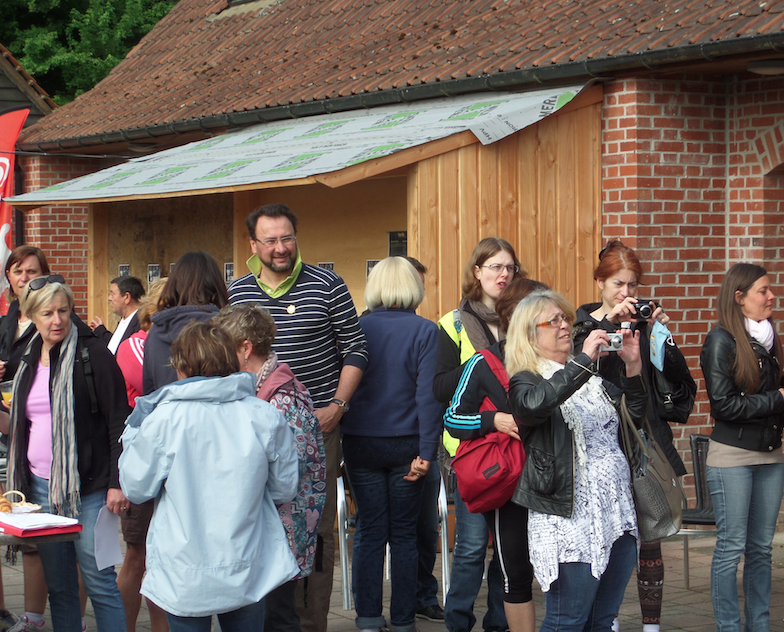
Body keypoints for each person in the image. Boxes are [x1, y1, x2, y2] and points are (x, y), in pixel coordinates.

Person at [228, 203, 368, 632]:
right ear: (253, 244)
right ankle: (266, 619)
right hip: (250, 435)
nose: (280, 247)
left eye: (287, 237)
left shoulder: (327, 284)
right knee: (255, 523)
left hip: (316, 432)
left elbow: (357, 350)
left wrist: (337, 407)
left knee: (315, 529)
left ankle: (310, 623)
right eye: (269, 240)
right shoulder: (237, 291)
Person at [119, 321, 300, 631]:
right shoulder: (264, 415)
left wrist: (133, 432)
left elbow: (136, 488)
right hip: (247, 562)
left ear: (181, 367)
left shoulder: (163, 419)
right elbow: (285, 488)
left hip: (184, 567)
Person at [572, 240, 696, 632]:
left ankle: (651, 625)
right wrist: (609, 323)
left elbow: (679, 379)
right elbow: (580, 371)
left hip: (643, 437)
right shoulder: (582, 323)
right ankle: (603, 618)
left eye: (633, 286)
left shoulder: (644, 323)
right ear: (600, 283)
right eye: (618, 284)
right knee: (606, 537)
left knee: (651, 532)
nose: (627, 294)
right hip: (601, 443)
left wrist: (661, 334)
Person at [506, 289, 647, 632]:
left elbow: (636, 417)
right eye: (552, 321)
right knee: (566, 621)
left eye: (565, 318)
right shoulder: (526, 380)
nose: (564, 325)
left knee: (602, 620)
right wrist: (584, 361)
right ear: (530, 334)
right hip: (568, 520)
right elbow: (536, 405)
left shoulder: (591, 379)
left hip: (615, 513)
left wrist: (633, 367)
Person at [4, 276, 130, 631]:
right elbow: (21, 425)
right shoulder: (27, 360)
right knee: (59, 588)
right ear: (32, 315)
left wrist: (116, 483)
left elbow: (119, 420)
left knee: (100, 583)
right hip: (39, 492)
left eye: (63, 310)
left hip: (88, 491)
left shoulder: (94, 356)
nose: (57, 319)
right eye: (47, 313)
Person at [340, 257, 442, 632]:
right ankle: (402, 621)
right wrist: (428, 454)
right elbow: (427, 399)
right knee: (403, 535)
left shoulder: (355, 327)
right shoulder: (425, 331)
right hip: (408, 447)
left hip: (359, 444)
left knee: (368, 530)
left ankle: (367, 617)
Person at [212, 303, 327, 632]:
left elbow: (289, 478)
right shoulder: (263, 390)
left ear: (245, 348)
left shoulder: (283, 398)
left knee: (275, 618)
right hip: (268, 532)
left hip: (281, 535)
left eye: (225, 348)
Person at [443, 276, 548, 632]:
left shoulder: (558, 360)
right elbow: (454, 419)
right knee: (511, 567)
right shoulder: (486, 362)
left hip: (554, 481)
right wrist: (494, 420)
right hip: (510, 483)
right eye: (542, 313)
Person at [433, 237, 524, 632]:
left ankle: (499, 623)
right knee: (471, 548)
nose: (502, 275)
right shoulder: (453, 323)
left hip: (518, 452)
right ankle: (457, 622)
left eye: (509, 268)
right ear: (477, 272)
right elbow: (438, 387)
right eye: (494, 267)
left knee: (509, 551)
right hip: (474, 452)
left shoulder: (524, 319)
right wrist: (482, 361)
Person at [699, 263, 784, 632]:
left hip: (772, 455)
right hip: (732, 458)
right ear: (740, 298)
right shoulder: (721, 340)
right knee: (731, 548)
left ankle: (760, 626)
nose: (771, 296)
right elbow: (724, 406)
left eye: (770, 290)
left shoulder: (770, 338)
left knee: (762, 549)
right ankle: (730, 627)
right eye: (763, 291)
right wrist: (778, 398)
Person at [114, 277, 170, 632]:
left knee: (165, 558)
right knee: (139, 554)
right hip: (144, 459)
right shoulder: (138, 345)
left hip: (173, 461)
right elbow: (164, 393)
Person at [0, 246, 51, 632]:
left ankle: (33, 618)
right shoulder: (4, 322)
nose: (23, 278)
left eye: (31, 271)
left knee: (31, 535)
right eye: (17, 271)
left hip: (31, 439)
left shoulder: (49, 322)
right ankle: (3, 609)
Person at [143, 251, 229, 394]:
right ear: (216, 284)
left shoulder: (156, 331)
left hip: (167, 414)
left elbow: (149, 392)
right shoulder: (225, 328)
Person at [89, 276, 145, 354]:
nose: (109, 298)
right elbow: (116, 346)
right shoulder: (125, 320)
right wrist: (101, 331)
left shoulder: (142, 325)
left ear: (127, 297)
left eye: (113, 294)